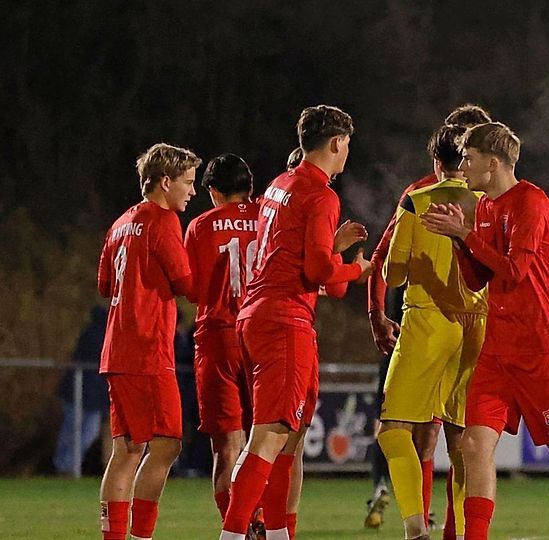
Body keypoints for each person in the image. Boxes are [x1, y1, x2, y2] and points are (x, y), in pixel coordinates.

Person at [422, 122, 549, 540]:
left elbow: (516, 270)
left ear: (493, 162)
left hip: (541, 346)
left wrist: (463, 233)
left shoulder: (531, 202)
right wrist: (458, 239)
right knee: (473, 446)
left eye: (469, 159)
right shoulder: (485, 207)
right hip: (498, 347)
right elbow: (477, 279)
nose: (462, 167)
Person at [218, 105, 372, 540]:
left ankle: (280, 534)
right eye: (347, 146)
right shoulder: (321, 194)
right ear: (337, 143)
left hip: (262, 314)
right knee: (267, 437)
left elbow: (299, 255)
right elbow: (319, 272)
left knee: (287, 438)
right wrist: (356, 270)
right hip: (283, 320)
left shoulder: (279, 185)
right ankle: (231, 535)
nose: (347, 154)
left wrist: (331, 247)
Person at [366, 104, 493, 533]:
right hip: (478, 325)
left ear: (437, 161)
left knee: (393, 429)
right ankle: (456, 531)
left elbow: (391, 270)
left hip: (426, 321)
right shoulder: (490, 203)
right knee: (460, 439)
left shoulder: (417, 200)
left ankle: (416, 526)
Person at [97, 143, 200, 540]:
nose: (191, 192)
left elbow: (105, 284)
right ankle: (140, 536)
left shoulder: (120, 222)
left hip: (116, 350)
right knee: (168, 444)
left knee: (126, 451)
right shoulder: (162, 221)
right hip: (147, 350)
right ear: (165, 182)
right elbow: (186, 283)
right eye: (187, 183)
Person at [183, 154, 259, 523]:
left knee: (227, 447)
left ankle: (236, 529)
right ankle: (267, 524)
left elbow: (194, 289)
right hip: (263, 336)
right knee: (267, 443)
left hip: (218, 338)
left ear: (213, 191)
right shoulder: (267, 217)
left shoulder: (200, 226)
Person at [54, 305, 109, 476]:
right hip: (82, 394)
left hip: (83, 394)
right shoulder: (99, 336)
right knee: (80, 430)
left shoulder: (92, 333)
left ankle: (66, 465)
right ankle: (66, 467)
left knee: (76, 430)